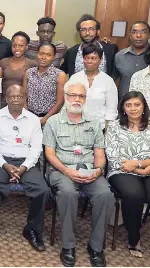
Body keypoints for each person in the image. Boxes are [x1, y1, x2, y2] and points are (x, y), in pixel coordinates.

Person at [43, 81, 115, 267]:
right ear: (66, 97)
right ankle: (68, 246)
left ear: (85, 99)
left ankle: (96, 246)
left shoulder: (94, 122)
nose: (77, 99)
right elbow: (49, 154)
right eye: (73, 95)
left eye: (81, 96)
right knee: (68, 194)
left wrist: (98, 171)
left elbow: (99, 153)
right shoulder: (53, 122)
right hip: (61, 169)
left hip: (90, 169)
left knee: (105, 195)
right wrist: (67, 170)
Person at [105, 91, 150, 262]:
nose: (133, 108)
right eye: (128, 105)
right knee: (134, 195)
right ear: (123, 108)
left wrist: (138, 165)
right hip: (122, 170)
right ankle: (133, 238)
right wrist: (140, 170)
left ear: (144, 107)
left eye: (137, 104)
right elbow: (113, 156)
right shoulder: (114, 127)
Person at [0, 85, 49, 250]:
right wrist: (4, 165)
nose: (16, 100)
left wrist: (24, 167)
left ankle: (32, 230)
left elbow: (36, 149)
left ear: (25, 98)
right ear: (6, 98)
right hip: (1, 160)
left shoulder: (33, 119)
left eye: (19, 96)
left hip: (26, 162)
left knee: (42, 190)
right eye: (12, 96)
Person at [68, 44, 118, 130]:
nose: (89, 61)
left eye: (93, 58)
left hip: (99, 128)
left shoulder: (108, 81)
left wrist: (107, 132)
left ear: (101, 60)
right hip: (75, 127)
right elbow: (67, 103)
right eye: (86, 58)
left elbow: (111, 110)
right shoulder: (75, 78)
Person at [22, 43, 68, 124]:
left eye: (48, 55)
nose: (44, 57)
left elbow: (60, 102)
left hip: (49, 120)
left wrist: (45, 119)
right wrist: (26, 114)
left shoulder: (60, 75)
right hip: (29, 118)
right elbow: (24, 95)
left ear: (53, 57)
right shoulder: (29, 72)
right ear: (37, 54)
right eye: (41, 54)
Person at [0, 32, 36, 109]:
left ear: (26, 47)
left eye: (21, 46)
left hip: (21, 105)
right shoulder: (3, 62)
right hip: (4, 104)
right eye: (14, 46)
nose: (17, 48)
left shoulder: (32, 64)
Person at [114, 21, 150, 97]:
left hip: (149, 103)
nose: (138, 35)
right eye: (134, 32)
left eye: (143, 32)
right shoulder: (119, 56)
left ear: (149, 35)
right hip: (124, 103)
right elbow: (113, 80)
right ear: (130, 36)